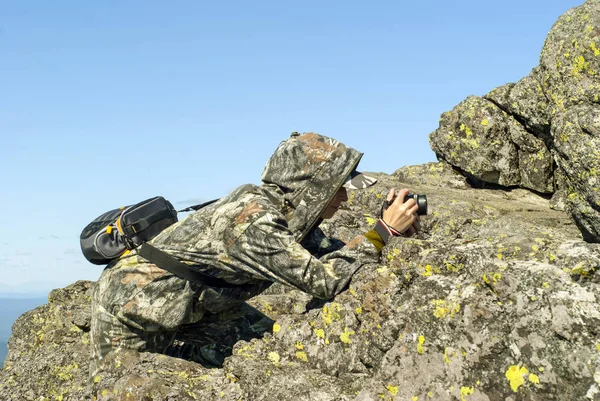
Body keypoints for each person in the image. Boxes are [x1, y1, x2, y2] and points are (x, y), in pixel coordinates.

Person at [88, 132, 420, 387]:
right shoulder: (253, 222)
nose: (345, 198)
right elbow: (324, 280)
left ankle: (185, 354)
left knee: (268, 351)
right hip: (132, 307)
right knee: (117, 384)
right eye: (338, 188)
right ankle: (177, 355)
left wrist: (383, 230)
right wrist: (384, 231)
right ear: (310, 187)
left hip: (197, 302)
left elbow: (331, 254)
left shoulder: (285, 213)